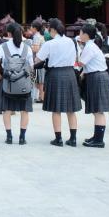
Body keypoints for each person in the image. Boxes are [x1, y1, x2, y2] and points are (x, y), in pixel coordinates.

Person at [35, 18, 81, 147]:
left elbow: (38, 59)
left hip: (55, 74)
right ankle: (73, 139)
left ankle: (58, 139)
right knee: (71, 109)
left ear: (53, 30)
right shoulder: (72, 42)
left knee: (56, 109)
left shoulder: (49, 44)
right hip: (70, 73)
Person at [0, 23, 33, 145]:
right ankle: (22, 137)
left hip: (8, 83)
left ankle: (9, 137)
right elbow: (31, 66)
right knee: (24, 111)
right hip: (23, 85)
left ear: (8, 33)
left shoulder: (3, 46)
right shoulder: (27, 47)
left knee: (7, 110)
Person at [76, 23, 109, 147]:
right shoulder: (90, 46)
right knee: (97, 111)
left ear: (86, 35)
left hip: (97, 78)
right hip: (96, 77)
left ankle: (99, 140)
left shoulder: (89, 47)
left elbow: (80, 63)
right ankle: (97, 137)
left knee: (98, 111)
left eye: (80, 33)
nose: (79, 35)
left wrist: (77, 48)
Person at [29, 19, 46, 104]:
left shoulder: (36, 36)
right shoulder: (41, 36)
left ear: (35, 28)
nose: (30, 28)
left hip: (38, 60)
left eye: (31, 27)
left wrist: (28, 46)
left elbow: (35, 49)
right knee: (39, 80)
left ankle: (42, 97)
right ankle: (40, 96)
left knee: (39, 80)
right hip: (42, 59)